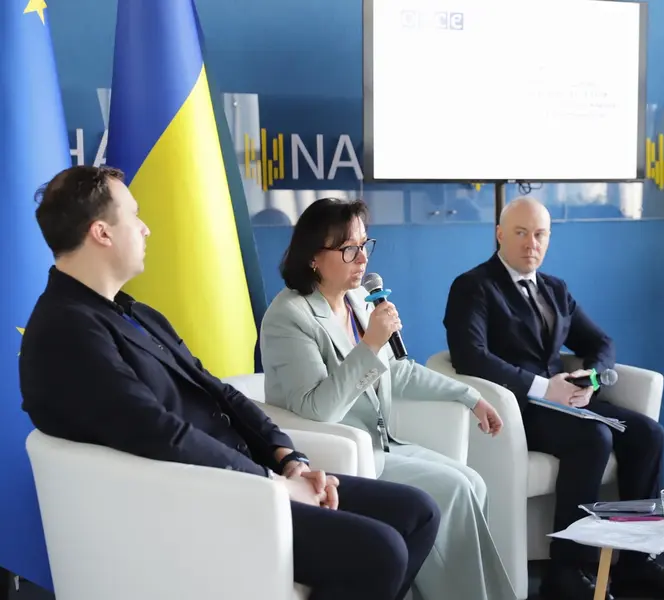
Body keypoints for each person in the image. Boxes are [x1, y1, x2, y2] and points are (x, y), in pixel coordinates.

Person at [19, 166, 440, 600]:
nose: (145, 228)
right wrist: (273, 484)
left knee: (418, 513)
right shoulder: (65, 331)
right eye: (134, 215)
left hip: (246, 477)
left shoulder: (137, 313)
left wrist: (289, 458)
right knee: (381, 551)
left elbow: (220, 393)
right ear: (102, 233)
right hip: (201, 502)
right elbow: (159, 432)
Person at [443, 197, 664, 600]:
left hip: (567, 403)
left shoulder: (554, 288)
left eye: (540, 234)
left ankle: (637, 562)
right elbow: (470, 356)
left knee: (648, 434)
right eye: (520, 233)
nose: (531, 243)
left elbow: (600, 341)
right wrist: (544, 387)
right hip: (517, 408)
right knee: (593, 438)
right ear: (499, 234)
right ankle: (566, 570)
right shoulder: (473, 286)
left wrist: (591, 379)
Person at [259, 198, 516, 600]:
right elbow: (318, 409)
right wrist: (370, 344)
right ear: (313, 257)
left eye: (365, 245)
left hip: (382, 444)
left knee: (473, 482)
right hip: (340, 456)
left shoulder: (356, 300)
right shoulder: (289, 316)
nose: (362, 258)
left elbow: (398, 370)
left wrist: (470, 397)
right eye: (349, 249)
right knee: (455, 489)